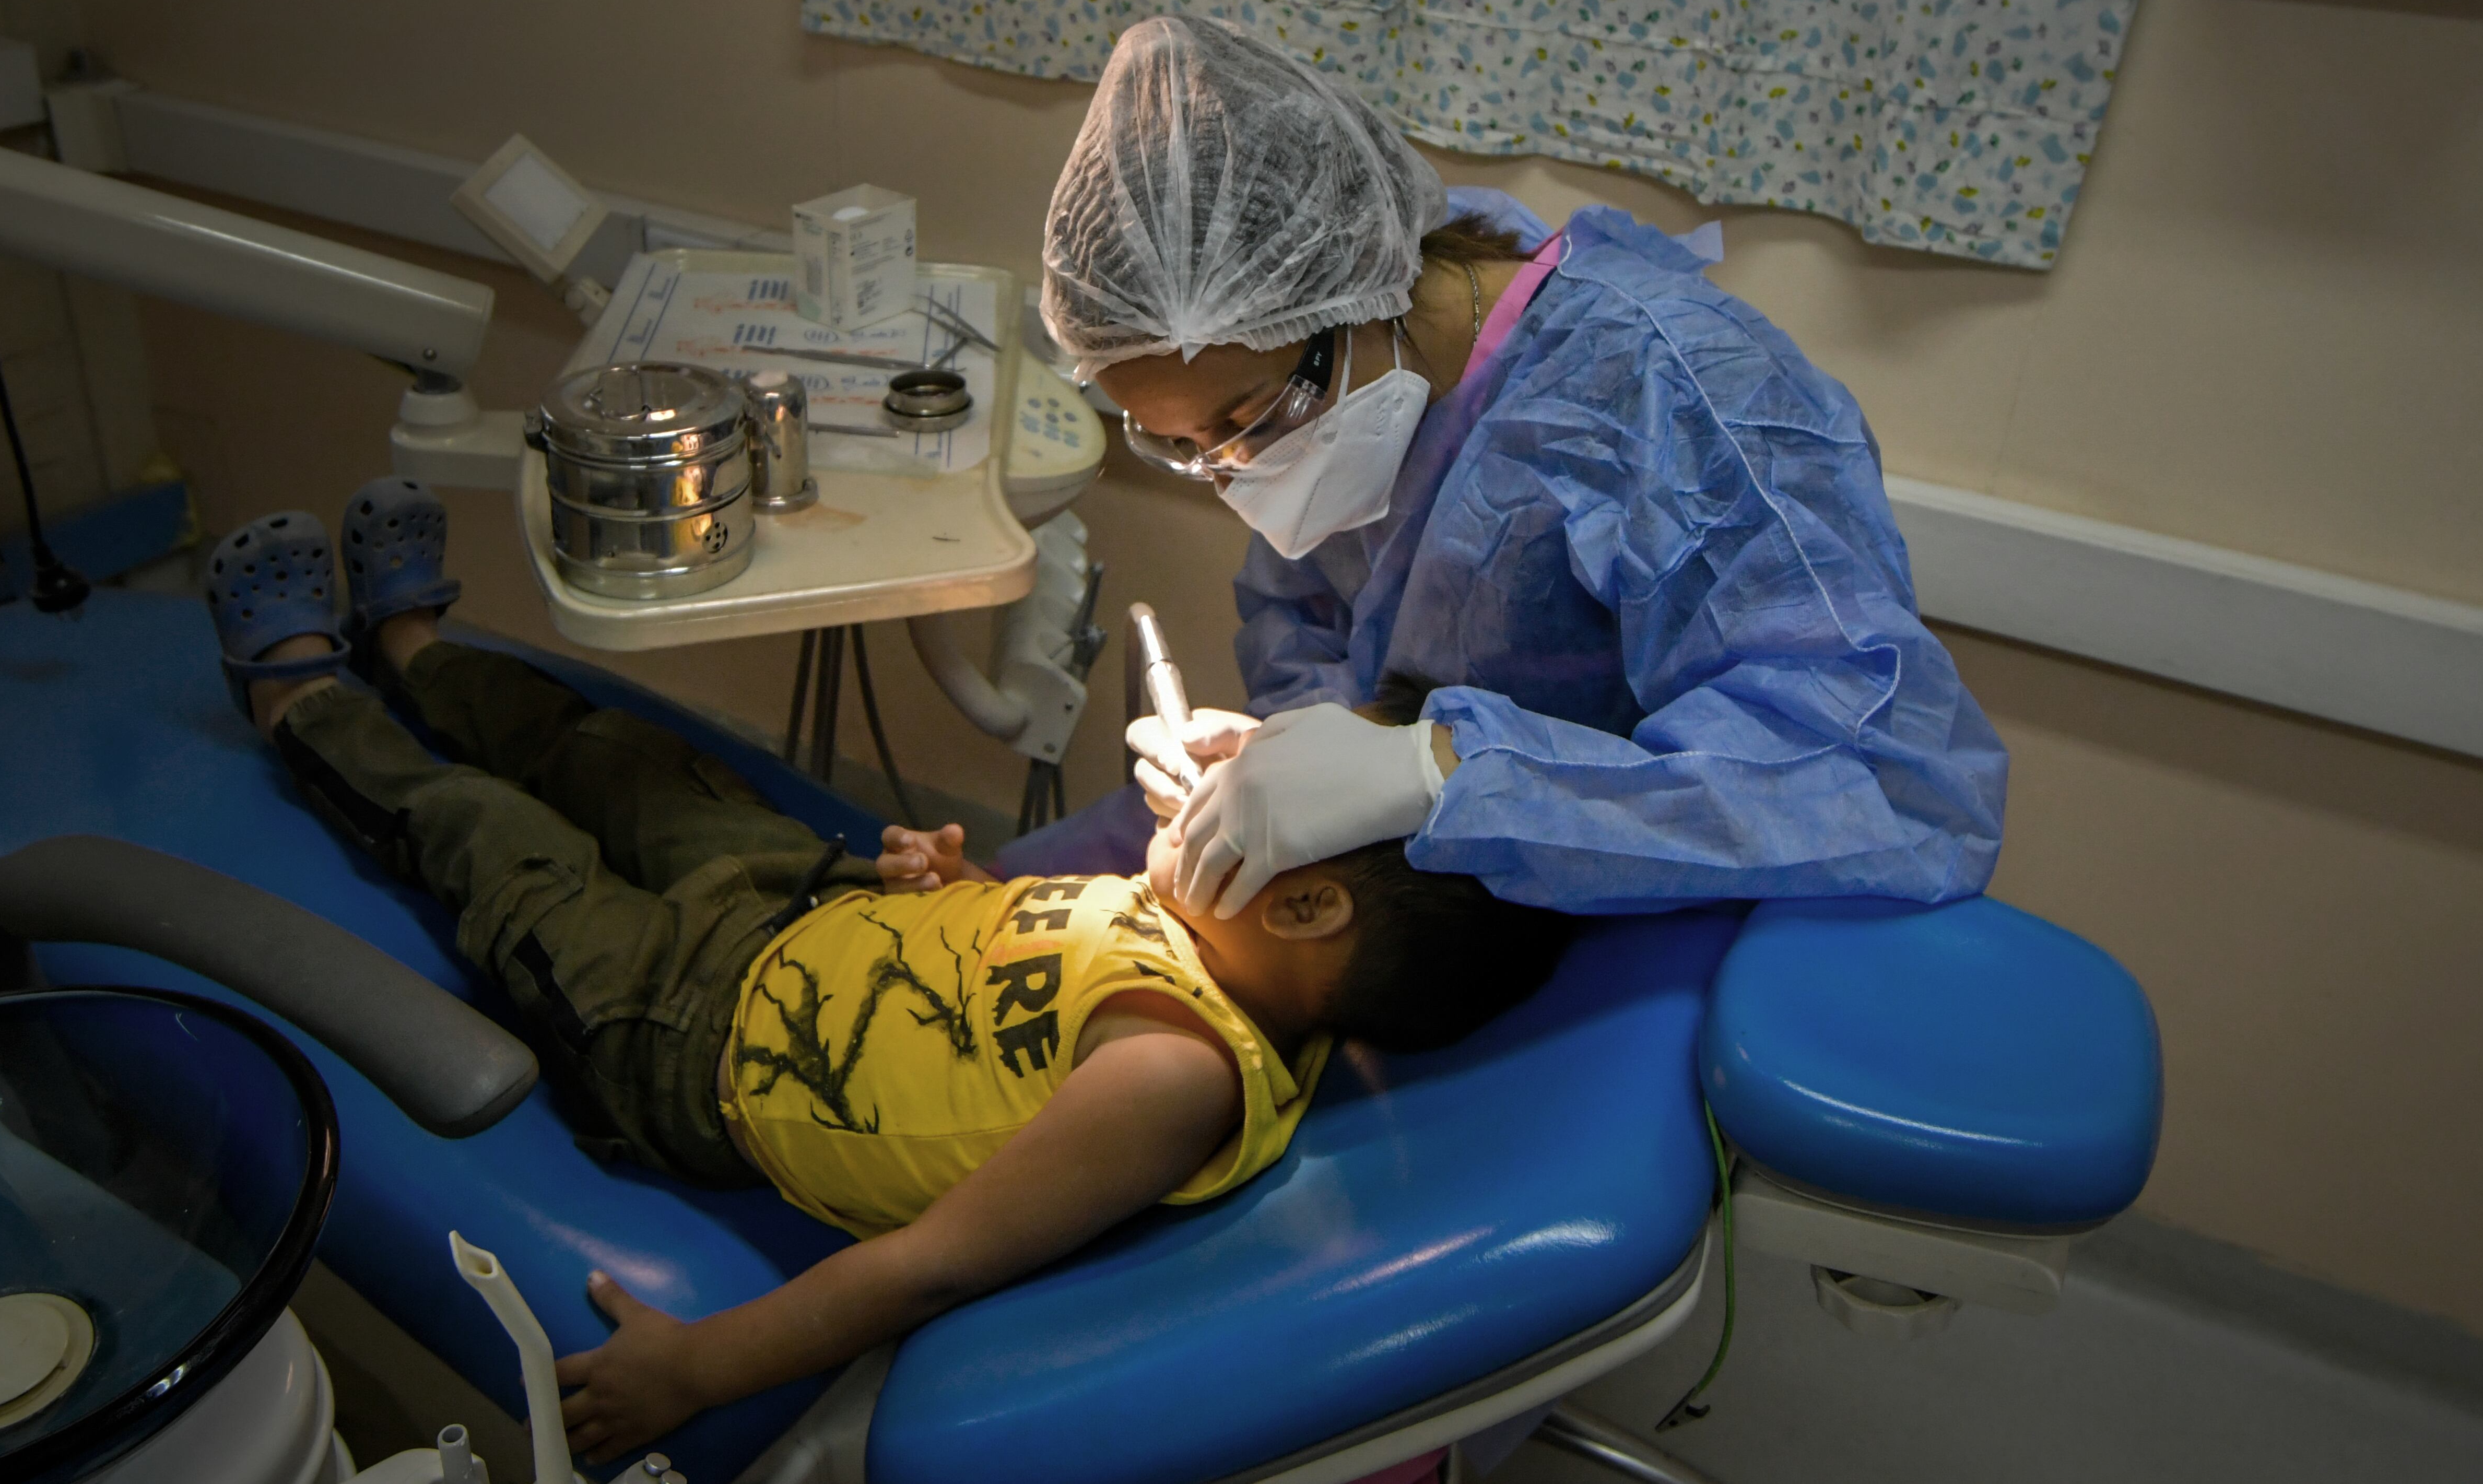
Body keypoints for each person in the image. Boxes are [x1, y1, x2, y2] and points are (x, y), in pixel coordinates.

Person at [201, 482, 1572, 1464]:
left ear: (1316, 896)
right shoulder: (1196, 923)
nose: (1229, 767)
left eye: (1261, 788)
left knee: (488, 843)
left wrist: (700, 1365)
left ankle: (305, 698)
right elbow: (1015, 997)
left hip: (696, 1027)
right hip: (812, 890)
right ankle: (422, 654)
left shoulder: (1177, 1071)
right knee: (611, 753)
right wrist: (958, 889)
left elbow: (927, 1263)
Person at [996, 13, 2009, 920]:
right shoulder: (1356, 400)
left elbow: (1887, 784)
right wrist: (1295, 747)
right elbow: (1310, 626)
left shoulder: (1673, 393)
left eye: (1249, 419)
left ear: (1353, 301)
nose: (1234, 473)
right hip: (1421, 894)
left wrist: (1436, 768)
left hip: (1621, 937)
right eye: (1180, 447)